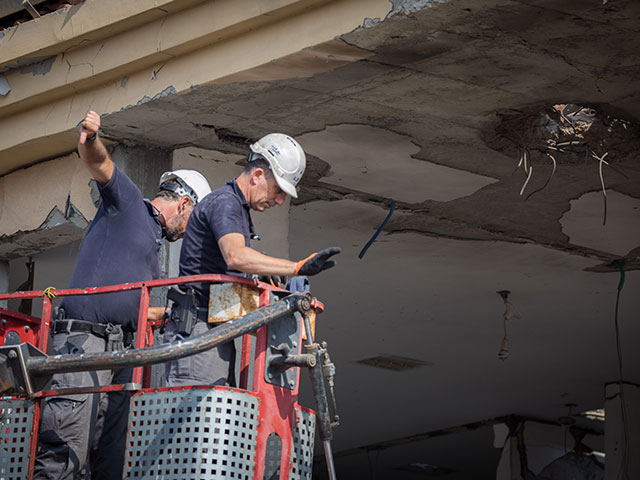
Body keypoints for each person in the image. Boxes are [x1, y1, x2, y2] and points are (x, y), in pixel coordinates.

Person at [33, 110, 212, 480]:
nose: (191, 229)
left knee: (109, 459)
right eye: (194, 218)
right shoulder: (130, 205)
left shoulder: (152, 245)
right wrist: (91, 138)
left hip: (119, 352)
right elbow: (101, 165)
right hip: (84, 347)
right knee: (64, 451)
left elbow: (128, 306)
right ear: (184, 203)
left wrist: (168, 316)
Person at [163, 133, 340, 386]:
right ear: (257, 175)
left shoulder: (236, 208)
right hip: (198, 333)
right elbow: (235, 255)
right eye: (278, 190)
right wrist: (296, 267)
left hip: (212, 332)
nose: (280, 201)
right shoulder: (226, 203)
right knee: (197, 420)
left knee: (217, 418)